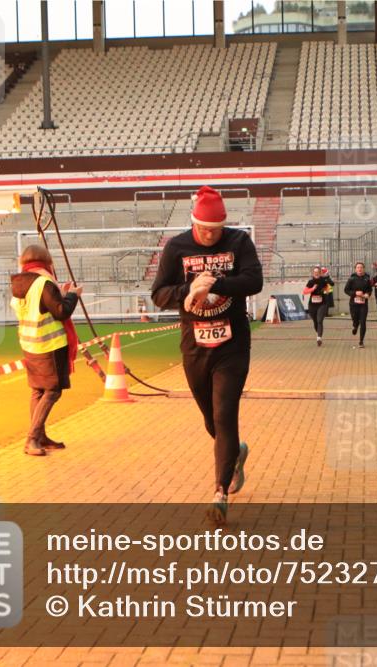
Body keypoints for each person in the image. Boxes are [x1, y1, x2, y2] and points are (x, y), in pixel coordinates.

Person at [151, 185, 264, 525]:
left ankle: (220, 492)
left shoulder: (239, 242)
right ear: (194, 222)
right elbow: (158, 294)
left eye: (216, 229)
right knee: (211, 420)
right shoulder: (177, 247)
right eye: (204, 229)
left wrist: (215, 284)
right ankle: (235, 453)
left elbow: (254, 281)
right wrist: (190, 289)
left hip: (232, 345)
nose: (210, 235)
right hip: (195, 346)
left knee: (225, 414)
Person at [10, 244, 81, 457]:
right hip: (49, 345)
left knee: (38, 390)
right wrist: (73, 296)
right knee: (52, 390)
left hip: (30, 344)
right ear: (46, 261)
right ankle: (32, 438)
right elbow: (61, 311)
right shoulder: (43, 282)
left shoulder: (19, 283)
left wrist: (62, 295)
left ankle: (40, 437)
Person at [344, 261, 372, 348]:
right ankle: (355, 326)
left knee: (363, 322)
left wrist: (367, 294)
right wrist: (355, 293)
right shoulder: (351, 279)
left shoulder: (367, 279)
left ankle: (361, 341)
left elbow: (370, 290)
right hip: (353, 304)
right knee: (355, 319)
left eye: (361, 267)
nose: (359, 269)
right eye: (358, 267)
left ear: (363, 269)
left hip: (363, 304)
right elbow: (346, 290)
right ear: (355, 269)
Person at [303, 265, 333, 346]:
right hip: (312, 305)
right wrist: (313, 288)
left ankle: (319, 337)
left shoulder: (323, 280)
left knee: (319, 320)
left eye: (318, 272)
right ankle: (318, 333)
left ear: (320, 273)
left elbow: (329, 289)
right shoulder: (311, 282)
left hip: (322, 304)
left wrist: (324, 291)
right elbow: (305, 292)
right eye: (315, 272)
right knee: (315, 321)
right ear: (313, 273)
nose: (316, 273)